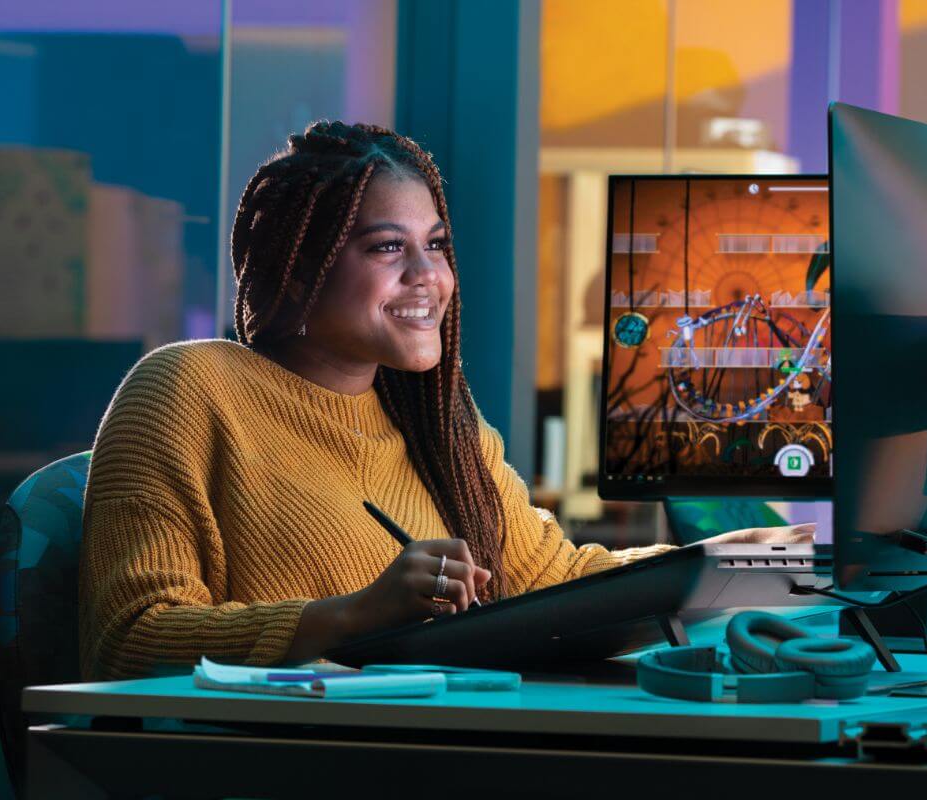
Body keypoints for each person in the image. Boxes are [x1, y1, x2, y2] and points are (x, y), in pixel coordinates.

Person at [78, 121, 813, 681]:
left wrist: (727, 563)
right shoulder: (188, 388)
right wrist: (355, 616)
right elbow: (130, 640)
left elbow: (551, 581)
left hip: (436, 755)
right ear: (298, 271)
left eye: (436, 244)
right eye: (387, 248)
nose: (429, 277)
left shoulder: (437, 427)